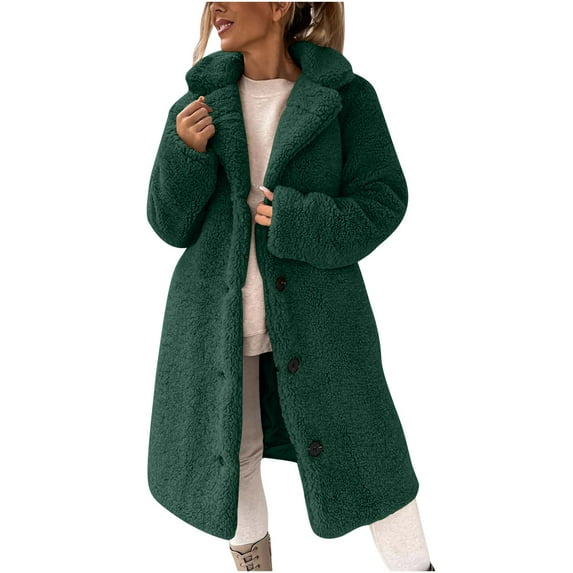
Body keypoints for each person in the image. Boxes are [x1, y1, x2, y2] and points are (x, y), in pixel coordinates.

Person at [146, 2, 435, 571]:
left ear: (278, 6)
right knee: (234, 456)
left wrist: (301, 220)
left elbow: (383, 200)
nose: (216, 7)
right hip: (215, 322)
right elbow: (169, 225)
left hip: (323, 318)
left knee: (372, 457)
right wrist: (186, 153)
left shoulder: (346, 97)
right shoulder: (195, 106)